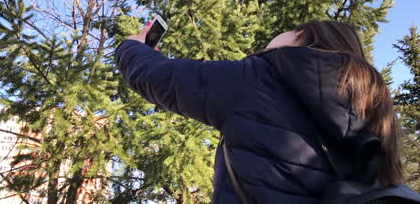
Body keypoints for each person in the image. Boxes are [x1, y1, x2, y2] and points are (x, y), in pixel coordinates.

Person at [115, 19, 404, 204]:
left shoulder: (262, 77)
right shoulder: (371, 109)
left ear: (299, 36)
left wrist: (132, 47)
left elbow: (161, 77)